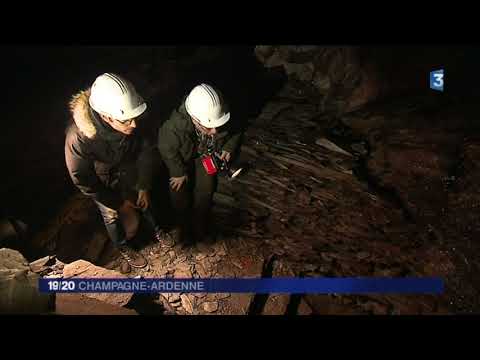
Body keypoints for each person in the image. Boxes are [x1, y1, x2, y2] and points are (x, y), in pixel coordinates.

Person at [65, 73, 162, 272]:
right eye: (126, 121)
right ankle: (123, 246)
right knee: (111, 215)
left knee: (143, 199)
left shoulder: (130, 112)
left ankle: (157, 228)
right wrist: (117, 203)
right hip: (102, 179)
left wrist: (144, 184)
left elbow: (146, 149)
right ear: (106, 117)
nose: (134, 124)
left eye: (134, 118)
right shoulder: (78, 137)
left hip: (128, 167)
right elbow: (81, 177)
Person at [157, 83, 242, 246]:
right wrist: (178, 171)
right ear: (195, 120)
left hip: (205, 156)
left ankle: (200, 225)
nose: (215, 131)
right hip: (182, 158)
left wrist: (228, 147)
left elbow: (236, 129)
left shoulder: (218, 114)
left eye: (217, 126)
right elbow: (166, 148)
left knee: (206, 189)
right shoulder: (174, 127)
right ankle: (182, 226)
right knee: (178, 190)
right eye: (209, 128)